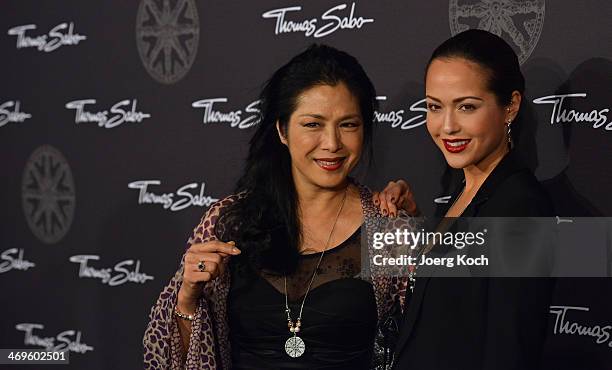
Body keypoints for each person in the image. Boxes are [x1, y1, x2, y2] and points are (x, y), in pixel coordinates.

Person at [143, 44, 416, 370]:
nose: (331, 143)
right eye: (312, 124)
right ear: (282, 130)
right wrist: (187, 297)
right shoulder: (228, 221)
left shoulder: (389, 229)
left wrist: (435, 215)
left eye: (348, 125)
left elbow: (446, 327)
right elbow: (169, 359)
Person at [378, 29, 555, 369]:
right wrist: (413, 221)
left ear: (511, 106)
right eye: (434, 107)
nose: (447, 126)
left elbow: (510, 351)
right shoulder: (461, 192)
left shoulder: (520, 208)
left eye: (467, 107)